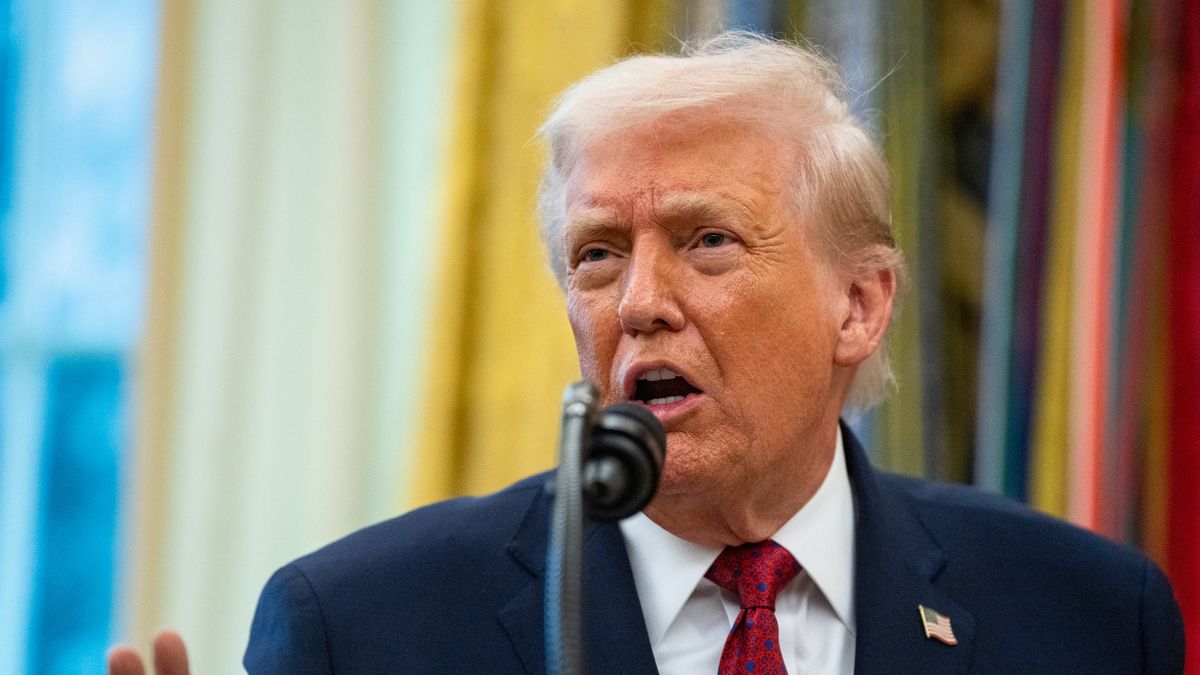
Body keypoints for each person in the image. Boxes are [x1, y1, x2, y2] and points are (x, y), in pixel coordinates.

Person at [109, 32, 1185, 674]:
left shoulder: (1088, 617)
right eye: (597, 254)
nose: (639, 303)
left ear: (858, 306)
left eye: (707, 241)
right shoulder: (364, 628)